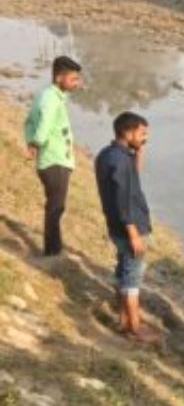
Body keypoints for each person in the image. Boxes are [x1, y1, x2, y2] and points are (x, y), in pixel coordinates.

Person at [94, 112, 155, 342]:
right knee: (132, 278)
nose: (144, 138)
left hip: (115, 226)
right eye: (142, 133)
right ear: (128, 132)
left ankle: (123, 321)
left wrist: (139, 153)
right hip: (130, 228)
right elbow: (123, 199)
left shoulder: (109, 155)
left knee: (122, 272)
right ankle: (135, 328)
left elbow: (132, 179)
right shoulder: (120, 160)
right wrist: (134, 233)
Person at [23, 56, 83, 257]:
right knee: (55, 208)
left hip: (55, 158)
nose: (77, 84)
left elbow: (29, 121)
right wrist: (35, 143)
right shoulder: (50, 99)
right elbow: (43, 125)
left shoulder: (50, 95)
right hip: (54, 160)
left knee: (56, 206)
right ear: (59, 78)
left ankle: (54, 248)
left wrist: (31, 141)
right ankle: (52, 251)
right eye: (73, 79)